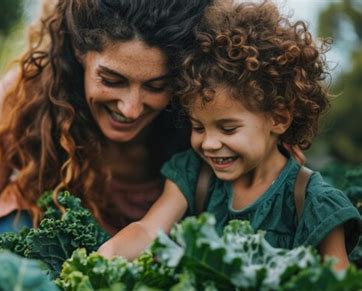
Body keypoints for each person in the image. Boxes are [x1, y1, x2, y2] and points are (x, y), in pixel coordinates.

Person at [98, 0, 361, 271]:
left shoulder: (313, 202)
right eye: (198, 127)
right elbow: (148, 230)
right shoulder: (193, 174)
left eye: (228, 128)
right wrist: (106, 256)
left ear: (279, 119)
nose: (209, 144)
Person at [0, 0, 213, 250]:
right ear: (81, 51)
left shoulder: (200, 115)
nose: (131, 109)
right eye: (112, 80)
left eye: (156, 86)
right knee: (13, 231)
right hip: (40, 248)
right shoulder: (27, 94)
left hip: (148, 260)